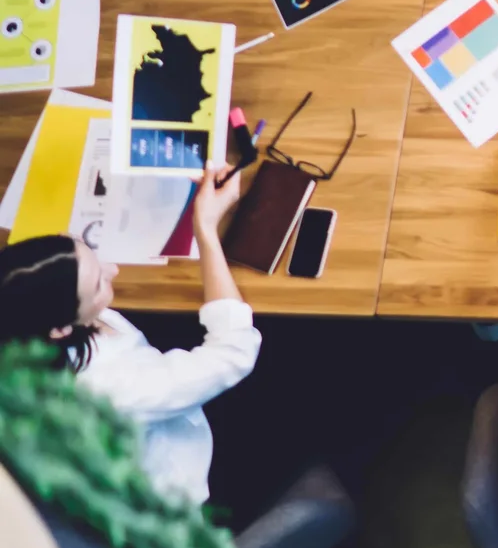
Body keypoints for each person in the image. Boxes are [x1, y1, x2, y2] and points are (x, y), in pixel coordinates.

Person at [0, 164, 305, 521]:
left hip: (154, 399)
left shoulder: (27, 316)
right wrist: (205, 229)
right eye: (99, 283)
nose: (113, 268)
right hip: (194, 476)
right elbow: (236, 350)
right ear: (61, 329)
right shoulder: (109, 390)